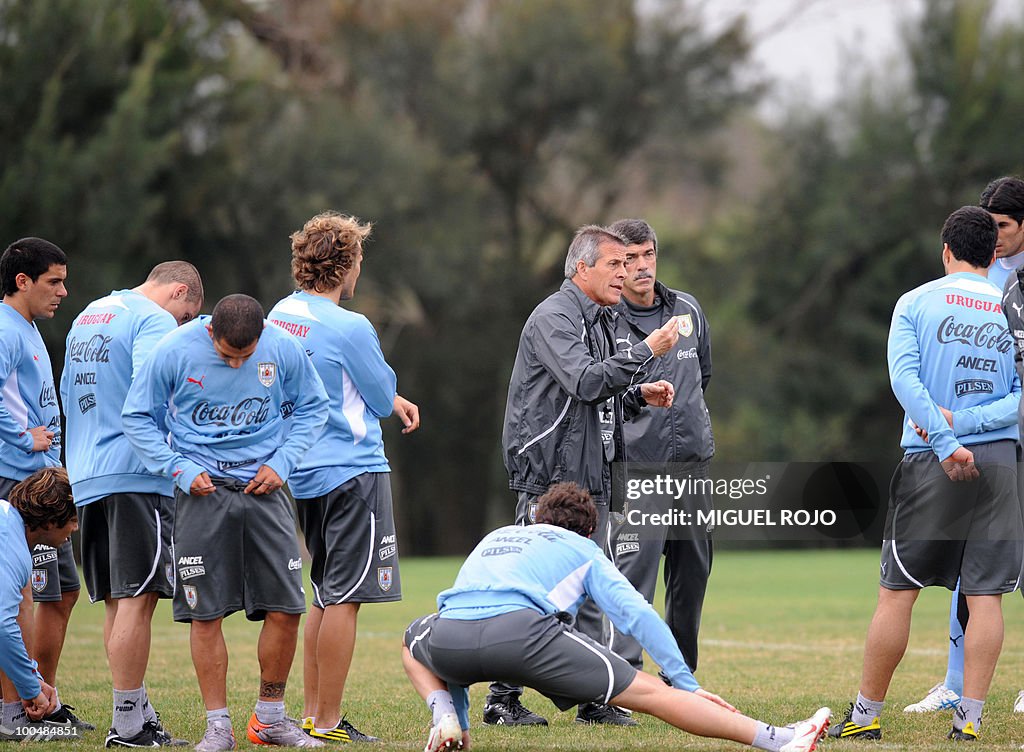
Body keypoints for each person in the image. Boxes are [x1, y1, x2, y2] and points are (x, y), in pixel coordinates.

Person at [402, 482, 831, 752]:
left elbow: (462, 610)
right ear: (590, 530)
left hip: (449, 638)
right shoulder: (585, 549)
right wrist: (686, 684)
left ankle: (444, 719)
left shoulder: (497, 534)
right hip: (523, 635)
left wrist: (455, 710)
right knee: (654, 695)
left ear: (538, 518)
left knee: (411, 641)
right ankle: (779, 740)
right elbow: (638, 617)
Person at [829, 206, 1022, 742]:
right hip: (1002, 462)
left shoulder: (915, 301)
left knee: (898, 592)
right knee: (986, 597)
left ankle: (866, 717)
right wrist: (972, 425)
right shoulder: (1016, 309)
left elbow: (904, 380)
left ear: (946, 250)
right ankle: (971, 722)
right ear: (993, 252)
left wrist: (945, 438)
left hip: (929, 461)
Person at [122, 294, 330, 752]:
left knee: (286, 607)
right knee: (205, 610)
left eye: (247, 355)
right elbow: (137, 417)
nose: (237, 364)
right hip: (202, 491)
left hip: (266, 488)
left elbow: (315, 407)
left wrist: (284, 462)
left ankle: (271, 717)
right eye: (226, 355)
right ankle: (218, 727)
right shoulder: (174, 350)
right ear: (209, 331)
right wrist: (177, 467)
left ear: (261, 338)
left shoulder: (284, 347)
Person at [493, 224, 681, 726]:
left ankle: (595, 701)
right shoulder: (553, 317)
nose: (626, 274)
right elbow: (583, 380)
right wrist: (648, 352)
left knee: (592, 586)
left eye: (629, 264)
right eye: (614, 265)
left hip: (589, 472)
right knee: (533, 588)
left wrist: (640, 395)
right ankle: (501, 698)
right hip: (549, 475)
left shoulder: (598, 319)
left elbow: (597, 396)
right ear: (582, 269)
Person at [268, 212, 419, 743]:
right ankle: (329, 722)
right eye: (359, 260)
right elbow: (376, 398)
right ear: (346, 265)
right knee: (346, 600)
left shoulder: (281, 314)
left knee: (324, 596)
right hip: (353, 472)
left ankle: (312, 715)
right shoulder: (352, 326)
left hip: (302, 473)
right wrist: (392, 396)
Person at [61, 261, 204, 746]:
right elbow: (154, 387)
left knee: (118, 602)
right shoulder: (155, 320)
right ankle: (127, 725)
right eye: (187, 316)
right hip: (137, 472)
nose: (182, 327)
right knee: (138, 600)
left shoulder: (90, 313)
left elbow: (67, 392)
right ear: (179, 292)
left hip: (88, 472)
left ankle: (136, 712)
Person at [902, 177, 1024, 716]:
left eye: (1004, 227)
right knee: (967, 566)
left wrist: (957, 418)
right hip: (981, 441)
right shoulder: (980, 279)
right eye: (988, 227)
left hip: (997, 434)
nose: (994, 238)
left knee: (1002, 567)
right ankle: (955, 682)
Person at [606, 217, 714, 678]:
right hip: (638, 471)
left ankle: (680, 675)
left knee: (691, 578)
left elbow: (703, 376)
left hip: (693, 468)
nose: (641, 266)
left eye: (647, 254)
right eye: (629, 259)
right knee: (633, 580)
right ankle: (621, 680)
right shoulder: (606, 319)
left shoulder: (687, 309)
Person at [0, 237, 92, 733]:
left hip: (40, 479)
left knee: (62, 594)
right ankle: (15, 711)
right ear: (23, 282)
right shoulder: (4, 328)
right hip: (15, 484)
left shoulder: (29, 328)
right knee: (19, 600)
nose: (63, 291)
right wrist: (20, 434)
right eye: (53, 281)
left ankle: (43, 701)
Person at [0, 468, 76, 742]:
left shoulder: (8, 524)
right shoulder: (13, 545)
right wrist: (31, 688)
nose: (75, 529)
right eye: (72, 520)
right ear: (49, 521)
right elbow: (2, 627)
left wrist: (33, 676)